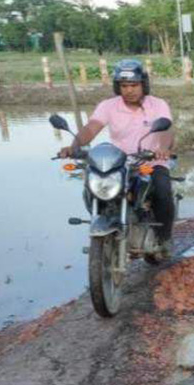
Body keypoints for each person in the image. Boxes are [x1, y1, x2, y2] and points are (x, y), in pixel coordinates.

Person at [59, 59, 175, 257]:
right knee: (93, 187)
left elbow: (167, 131)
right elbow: (91, 128)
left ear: (143, 85)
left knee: (163, 191)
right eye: (124, 86)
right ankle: (108, 224)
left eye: (134, 85)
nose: (129, 90)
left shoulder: (158, 105)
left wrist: (162, 149)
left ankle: (163, 239)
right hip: (119, 163)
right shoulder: (108, 106)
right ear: (117, 87)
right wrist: (74, 146)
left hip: (150, 161)